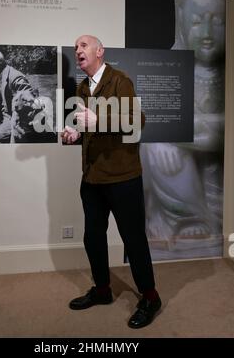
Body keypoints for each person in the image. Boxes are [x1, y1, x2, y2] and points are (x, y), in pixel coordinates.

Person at [61, 35, 161, 329]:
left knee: (133, 239)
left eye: (83, 45)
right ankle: (103, 290)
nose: (77, 50)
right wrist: (75, 134)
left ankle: (151, 296)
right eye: (75, 47)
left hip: (123, 178)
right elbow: (87, 127)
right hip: (92, 178)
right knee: (92, 236)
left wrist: (98, 120)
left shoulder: (120, 80)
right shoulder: (82, 87)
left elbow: (136, 120)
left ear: (99, 52)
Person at [141, 0, 225, 255]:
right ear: (181, 23)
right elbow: (154, 121)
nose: (205, 33)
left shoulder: (231, 72)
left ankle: (204, 217)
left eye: (217, 22)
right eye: (195, 22)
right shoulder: (170, 69)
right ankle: (183, 218)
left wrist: (201, 129)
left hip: (220, 171)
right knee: (155, 144)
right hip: (183, 172)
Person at [0, 49, 42, 143]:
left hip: (13, 116)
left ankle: (25, 134)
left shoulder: (15, 77)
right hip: (4, 113)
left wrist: (16, 117)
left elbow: (29, 98)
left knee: (0, 135)